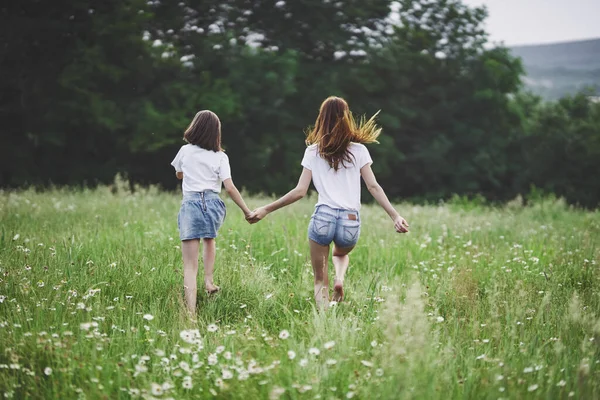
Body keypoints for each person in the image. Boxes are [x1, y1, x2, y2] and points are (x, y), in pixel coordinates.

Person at [247, 96, 409, 308]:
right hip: (350, 219)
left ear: (321, 119)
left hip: (323, 216)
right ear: (347, 117)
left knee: (319, 278)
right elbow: (373, 186)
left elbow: (299, 191)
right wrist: (395, 216)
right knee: (340, 253)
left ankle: (324, 319)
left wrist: (266, 209)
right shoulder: (359, 150)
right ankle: (339, 279)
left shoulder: (313, 151)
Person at [171, 110, 251, 314]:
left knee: (189, 265)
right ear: (216, 133)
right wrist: (246, 210)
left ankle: (190, 313)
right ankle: (208, 280)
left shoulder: (184, 151)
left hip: (191, 203)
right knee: (210, 238)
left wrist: (187, 172)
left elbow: (179, 174)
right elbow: (230, 187)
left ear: (194, 128)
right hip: (213, 202)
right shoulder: (221, 156)